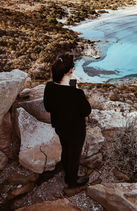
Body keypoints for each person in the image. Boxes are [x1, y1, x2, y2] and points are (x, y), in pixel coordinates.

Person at [43, 54, 91, 194]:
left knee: (65, 149)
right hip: (76, 130)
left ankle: (66, 170)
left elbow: (48, 107)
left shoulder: (49, 87)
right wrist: (75, 90)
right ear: (70, 71)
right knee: (74, 155)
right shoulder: (77, 94)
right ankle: (72, 181)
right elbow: (86, 111)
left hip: (60, 127)